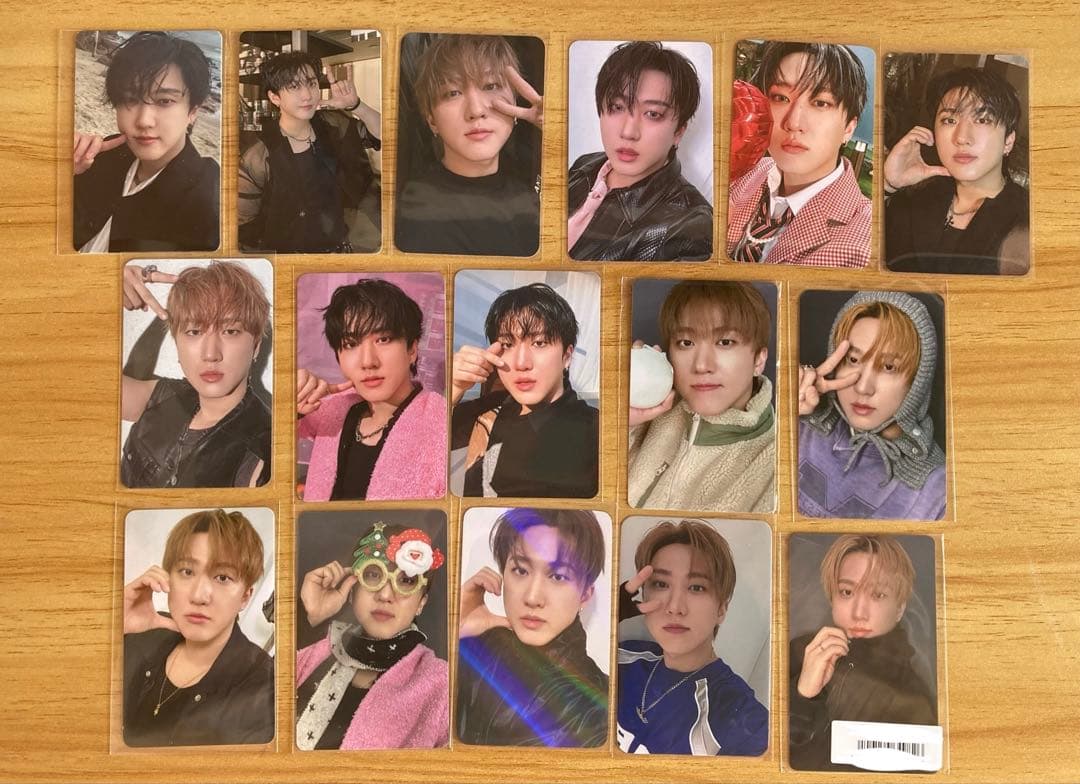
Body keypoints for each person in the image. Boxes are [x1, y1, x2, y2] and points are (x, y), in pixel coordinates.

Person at [456, 508, 608, 747]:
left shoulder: (598, 707)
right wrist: (453, 634)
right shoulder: (476, 649)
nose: (532, 597)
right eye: (521, 570)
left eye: (558, 576)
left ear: (585, 594)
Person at [122, 509, 274, 747]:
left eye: (222, 577)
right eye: (187, 572)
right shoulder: (141, 630)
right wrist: (113, 627)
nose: (199, 596)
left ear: (245, 597)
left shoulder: (265, 684)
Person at [616, 520, 767, 755]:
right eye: (661, 584)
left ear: (721, 609)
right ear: (643, 596)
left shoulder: (736, 713)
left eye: (696, 587)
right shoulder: (623, 657)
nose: (675, 607)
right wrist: (604, 617)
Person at [789, 534, 937, 771]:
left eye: (878, 595)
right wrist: (803, 694)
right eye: (847, 592)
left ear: (900, 608)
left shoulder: (913, 696)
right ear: (832, 598)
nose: (859, 613)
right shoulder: (798, 652)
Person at [295, 522, 448, 749]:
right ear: (352, 587)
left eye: (406, 580)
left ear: (421, 603)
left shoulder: (442, 684)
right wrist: (309, 618)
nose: (385, 594)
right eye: (374, 574)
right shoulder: (313, 648)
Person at [120, 261, 271, 488]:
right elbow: (71, 382)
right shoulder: (161, 396)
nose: (211, 354)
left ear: (256, 346)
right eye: (194, 331)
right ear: (177, 343)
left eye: (230, 331)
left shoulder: (263, 448)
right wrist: (101, 287)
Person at [797, 291, 946, 520]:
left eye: (889, 367)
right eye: (853, 360)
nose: (863, 387)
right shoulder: (800, 424)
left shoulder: (940, 491)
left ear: (918, 380)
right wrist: (782, 409)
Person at [627, 281, 775, 512]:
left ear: (759, 360)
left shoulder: (779, 462)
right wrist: (623, 420)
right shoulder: (650, 414)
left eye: (725, 342)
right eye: (686, 343)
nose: (701, 365)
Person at [295, 278, 446, 501]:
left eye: (383, 339)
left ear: (412, 349)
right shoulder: (331, 410)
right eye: (351, 344)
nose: (368, 362)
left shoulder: (439, 422)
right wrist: (292, 405)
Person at [395, 34, 543, 256]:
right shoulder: (419, 213)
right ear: (431, 119)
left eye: (491, 85)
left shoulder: (531, 189)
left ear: (515, 101)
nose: (476, 110)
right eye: (453, 93)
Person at [727, 42, 870, 267]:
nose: (793, 123)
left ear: (849, 128)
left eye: (820, 103)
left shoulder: (864, 244)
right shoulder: (744, 172)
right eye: (780, 98)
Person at [74, 31, 219, 252]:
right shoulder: (101, 157)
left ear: (192, 111)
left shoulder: (207, 198)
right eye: (130, 99)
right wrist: (67, 174)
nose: (144, 121)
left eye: (164, 101)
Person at [567, 41, 712, 261]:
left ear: (679, 131)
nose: (628, 132)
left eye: (653, 114)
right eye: (617, 107)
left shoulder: (692, 226)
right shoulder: (585, 166)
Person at [451, 282, 598, 498]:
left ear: (567, 356)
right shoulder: (490, 410)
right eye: (507, 344)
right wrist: (454, 388)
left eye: (539, 343)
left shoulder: (595, 430)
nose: (521, 363)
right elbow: (417, 447)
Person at [885, 65, 1029, 275]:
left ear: (1008, 141)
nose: (961, 137)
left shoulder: (1029, 219)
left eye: (982, 120)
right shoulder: (913, 199)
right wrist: (888, 186)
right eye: (949, 120)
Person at [238, 50, 382, 253]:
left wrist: (356, 106)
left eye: (312, 84)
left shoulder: (332, 125)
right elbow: (245, 230)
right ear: (274, 97)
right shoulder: (258, 155)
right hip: (288, 259)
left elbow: (386, 135)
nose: (307, 95)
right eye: (294, 86)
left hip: (340, 251)